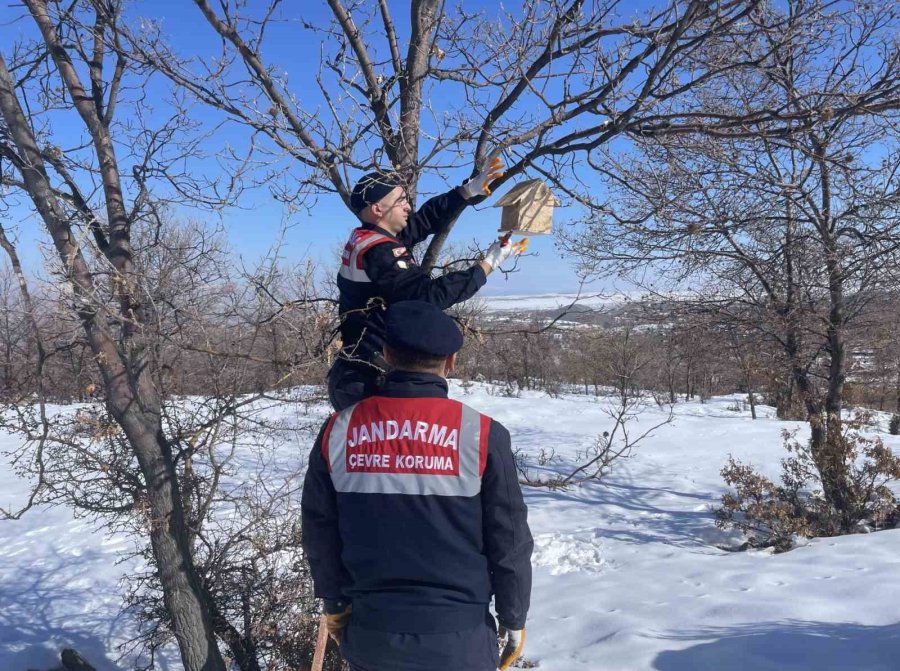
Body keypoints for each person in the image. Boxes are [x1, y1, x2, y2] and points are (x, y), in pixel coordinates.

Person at [302, 300, 533, 671]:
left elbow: (319, 531)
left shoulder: (338, 431)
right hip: (461, 641)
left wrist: (334, 605)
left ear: (387, 354)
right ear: (451, 360)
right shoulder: (483, 434)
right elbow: (509, 541)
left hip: (372, 637)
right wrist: (514, 617)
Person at [328, 156, 528, 410]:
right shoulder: (379, 252)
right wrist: (487, 265)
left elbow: (422, 221)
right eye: (400, 201)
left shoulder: (370, 236)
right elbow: (429, 297)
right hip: (368, 382)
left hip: (359, 375)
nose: (408, 206)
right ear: (378, 209)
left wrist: (467, 191)